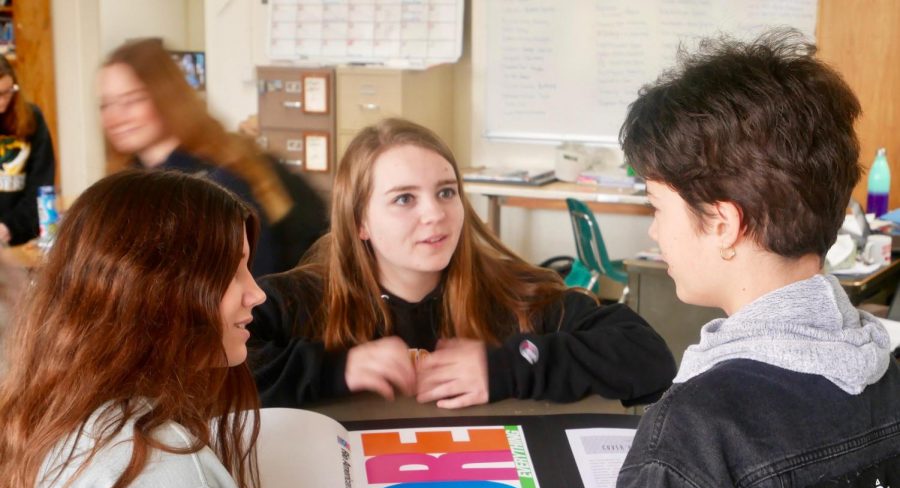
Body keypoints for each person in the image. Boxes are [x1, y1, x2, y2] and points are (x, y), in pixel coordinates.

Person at [476, 30, 900, 488]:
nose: (652, 230)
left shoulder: (699, 435)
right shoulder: (885, 376)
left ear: (725, 224)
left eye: (657, 205)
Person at [0, 170, 369, 488]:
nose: (256, 294)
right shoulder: (158, 469)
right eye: (232, 273)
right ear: (161, 293)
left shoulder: (58, 410)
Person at [248, 118, 676, 409]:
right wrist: (335, 369)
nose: (434, 214)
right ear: (359, 220)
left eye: (446, 192)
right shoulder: (297, 300)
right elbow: (202, 370)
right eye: (404, 198)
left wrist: (511, 365)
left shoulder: (512, 294)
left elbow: (648, 359)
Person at [99, 38, 328, 276]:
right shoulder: (133, 178)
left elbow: (251, 287)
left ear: (165, 97)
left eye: (132, 100)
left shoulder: (220, 180)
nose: (116, 116)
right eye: (106, 104)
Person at [0, 54, 55, 246]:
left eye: (8, 92)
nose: (2, 102)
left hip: (23, 238)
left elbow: (41, 183)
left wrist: (9, 227)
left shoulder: (32, 118)